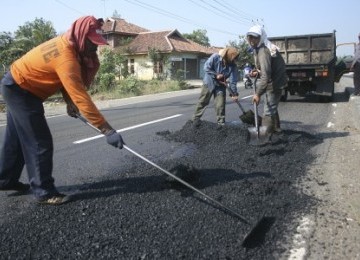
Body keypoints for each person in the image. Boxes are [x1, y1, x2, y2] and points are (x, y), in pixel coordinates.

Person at [0, 16, 125, 205]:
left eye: (97, 43)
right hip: (20, 89)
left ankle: (5, 180)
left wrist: (69, 103)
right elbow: (80, 96)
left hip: (18, 85)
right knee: (39, 142)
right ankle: (44, 191)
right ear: (82, 36)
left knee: (16, 138)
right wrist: (106, 129)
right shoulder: (66, 57)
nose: (95, 47)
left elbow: (65, 83)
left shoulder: (71, 46)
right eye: (92, 42)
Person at [246, 24, 287, 135]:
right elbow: (264, 69)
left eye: (255, 37)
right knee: (271, 105)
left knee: (268, 111)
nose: (252, 40)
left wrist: (258, 94)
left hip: (275, 82)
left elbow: (266, 75)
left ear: (261, 37)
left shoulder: (263, 51)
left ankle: (264, 137)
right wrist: (256, 71)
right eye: (250, 37)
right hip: (273, 80)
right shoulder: (258, 48)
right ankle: (277, 129)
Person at [192, 47, 240, 127]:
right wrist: (216, 74)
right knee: (203, 102)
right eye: (234, 58)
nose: (235, 60)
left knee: (220, 104)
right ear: (228, 56)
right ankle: (195, 120)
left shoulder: (233, 66)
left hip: (220, 85)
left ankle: (221, 124)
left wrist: (234, 93)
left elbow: (233, 81)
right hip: (209, 82)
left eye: (236, 58)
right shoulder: (215, 57)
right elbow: (206, 67)